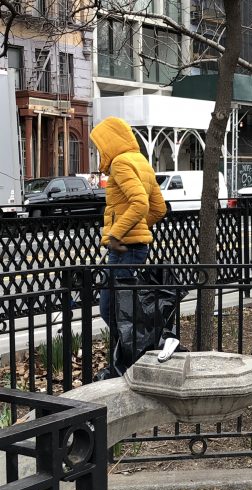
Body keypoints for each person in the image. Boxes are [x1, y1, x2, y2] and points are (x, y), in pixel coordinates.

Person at [90, 116, 167, 330]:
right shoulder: (142, 162)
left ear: (109, 142)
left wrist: (116, 233)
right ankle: (130, 349)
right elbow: (159, 209)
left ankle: (131, 350)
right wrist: (137, 227)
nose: (99, 152)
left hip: (124, 248)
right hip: (133, 247)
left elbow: (140, 203)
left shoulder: (120, 163)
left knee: (111, 309)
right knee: (121, 309)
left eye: (100, 146)